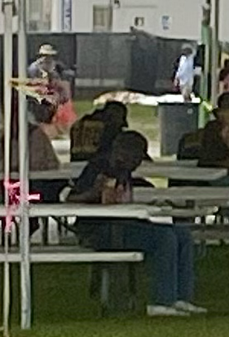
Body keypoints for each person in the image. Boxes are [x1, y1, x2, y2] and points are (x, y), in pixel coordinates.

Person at [71, 122, 203, 314]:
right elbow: (72, 198)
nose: (138, 164)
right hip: (100, 230)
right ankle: (161, 301)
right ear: (123, 153)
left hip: (126, 224)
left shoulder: (124, 171)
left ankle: (181, 297)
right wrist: (94, 193)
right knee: (164, 239)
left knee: (182, 235)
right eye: (137, 158)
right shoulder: (99, 167)